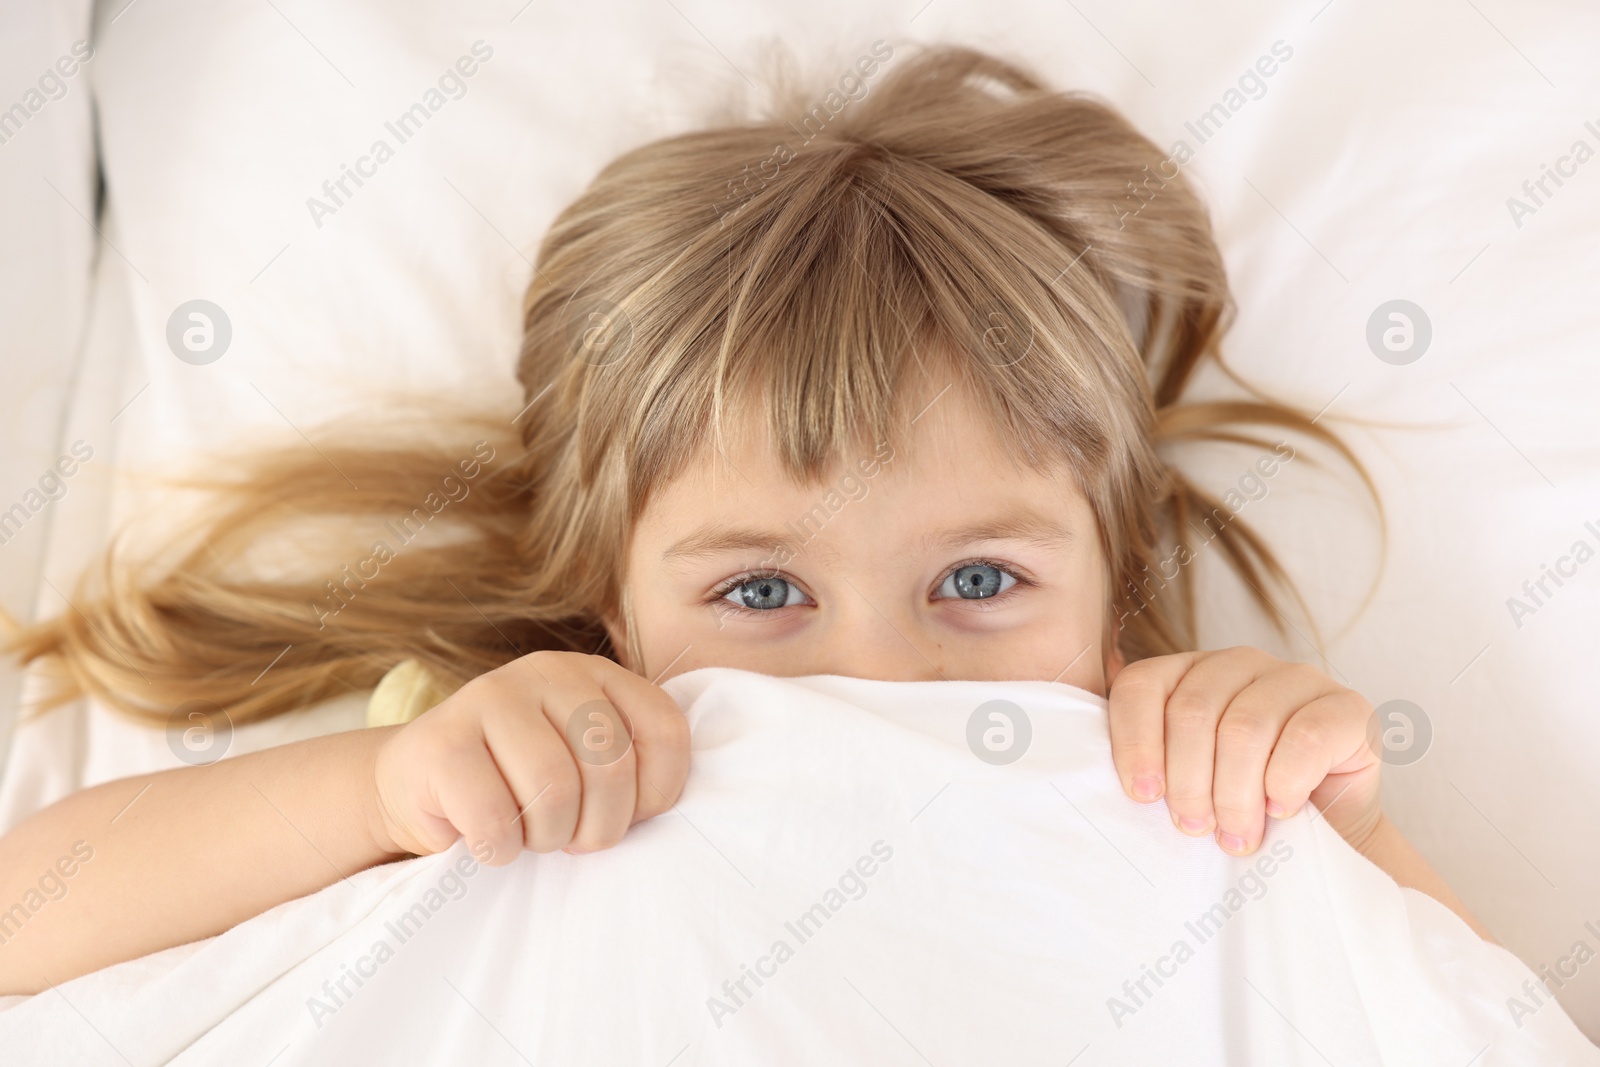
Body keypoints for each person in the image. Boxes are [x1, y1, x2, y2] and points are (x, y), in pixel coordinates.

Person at [0, 43, 1487, 996]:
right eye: (763, 593)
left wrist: (1341, 829)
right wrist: (385, 792)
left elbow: (1485, 1027)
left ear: (1118, 589)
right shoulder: (507, 756)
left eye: (978, 577)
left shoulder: (1184, 787)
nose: (878, 677)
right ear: (607, 596)